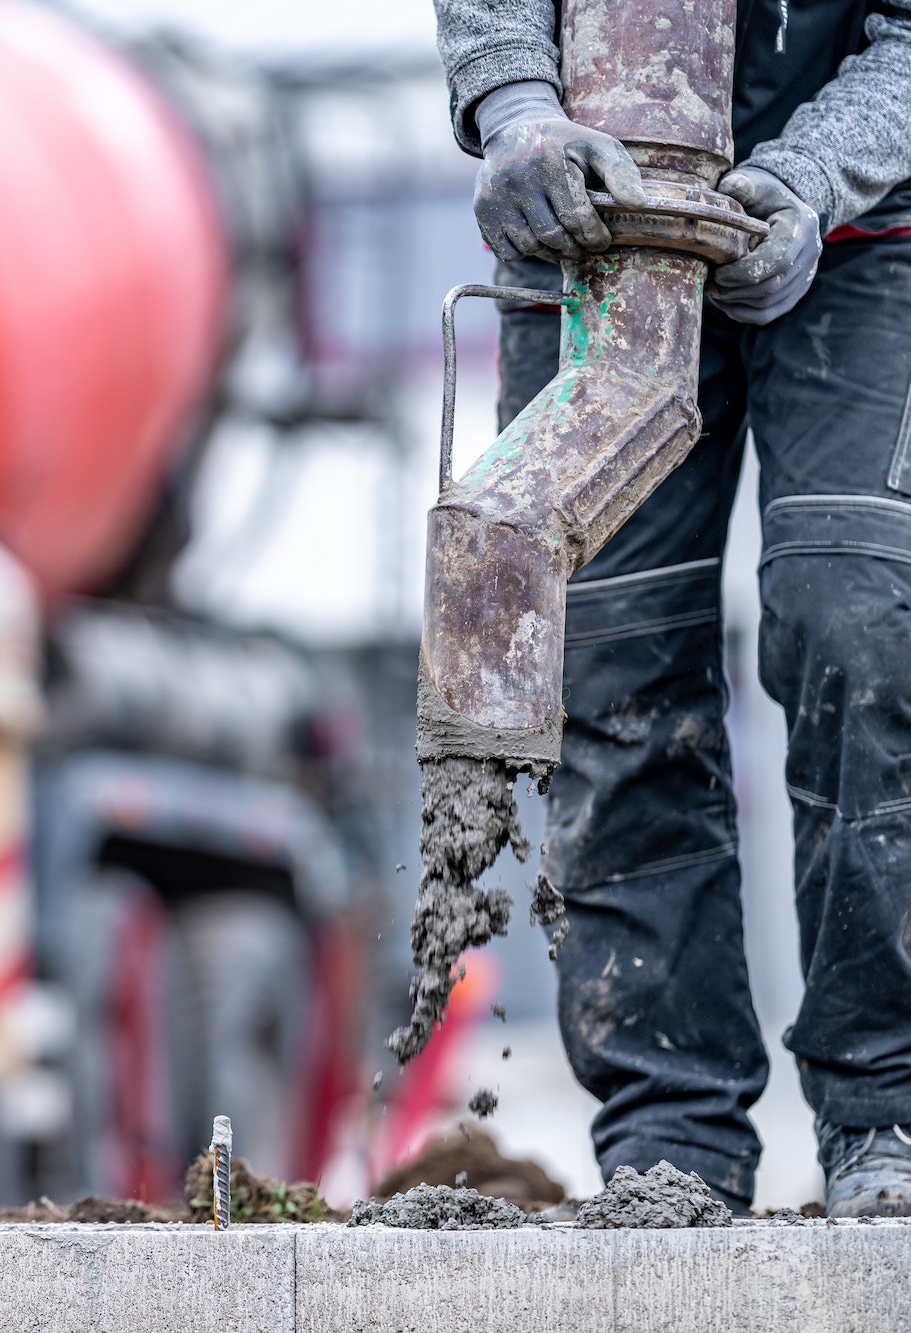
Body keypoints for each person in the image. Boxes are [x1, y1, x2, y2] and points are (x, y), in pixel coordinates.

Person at [434, 0, 911, 1215]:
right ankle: (669, 1141)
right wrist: (516, 109)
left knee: (855, 618)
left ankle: (885, 1111)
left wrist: (811, 174)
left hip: (868, 223)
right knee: (613, 657)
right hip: (587, 218)